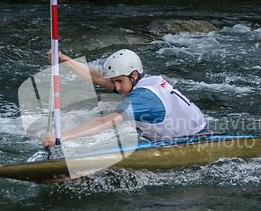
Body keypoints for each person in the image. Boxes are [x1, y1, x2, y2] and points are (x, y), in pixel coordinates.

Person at [42, 49, 206, 147]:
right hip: (186, 137)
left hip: (196, 142)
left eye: (119, 81)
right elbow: (98, 78)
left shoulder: (143, 98)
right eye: (115, 82)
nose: (117, 87)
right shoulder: (144, 84)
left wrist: (61, 136)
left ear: (134, 75)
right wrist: (64, 59)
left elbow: (103, 122)